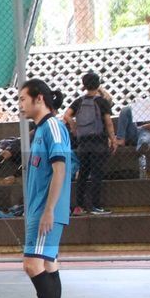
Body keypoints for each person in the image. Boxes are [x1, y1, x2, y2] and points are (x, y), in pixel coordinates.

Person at [13, 80, 74, 298]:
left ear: (39, 99)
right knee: (48, 265)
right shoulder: (39, 130)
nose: (20, 104)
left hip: (46, 211)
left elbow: (60, 170)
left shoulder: (52, 127)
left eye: (23, 98)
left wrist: (49, 210)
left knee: (31, 264)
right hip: (39, 209)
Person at [62, 71, 117, 215]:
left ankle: (79, 206)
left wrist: (74, 126)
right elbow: (108, 122)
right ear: (98, 85)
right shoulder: (101, 102)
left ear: (84, 85)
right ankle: (95, 206)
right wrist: (113, 139)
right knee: (96, 174)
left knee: (83, 174)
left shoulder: (79, 101)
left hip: (83, 143)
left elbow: (66, 115)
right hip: (98, 142)